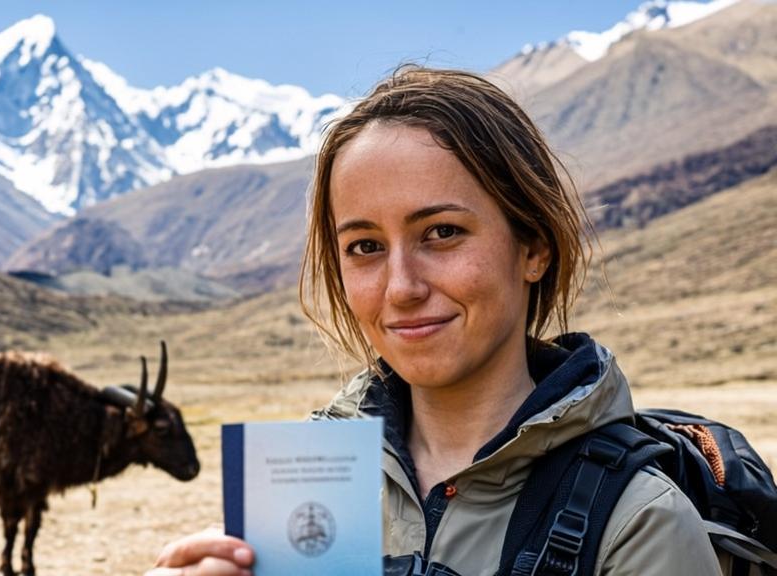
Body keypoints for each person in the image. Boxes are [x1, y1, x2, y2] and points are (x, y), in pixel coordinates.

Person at [148, 67, 721, 575]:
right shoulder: (304, 483)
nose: (401, 287)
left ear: (533, 248)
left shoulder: (638, 524)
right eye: (365, 246)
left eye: (442, 232)